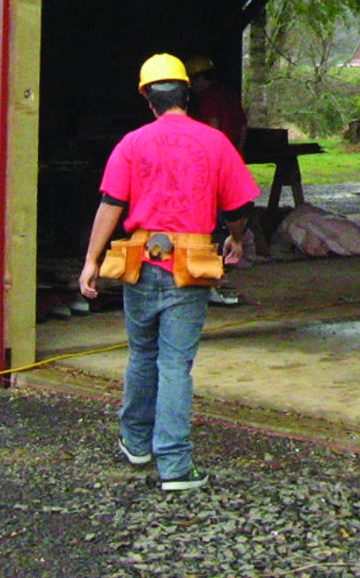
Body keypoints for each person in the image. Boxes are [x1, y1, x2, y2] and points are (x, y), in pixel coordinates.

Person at [77, 53, 259, 491]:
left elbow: (110, 205)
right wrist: (236, 237)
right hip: (189, 267)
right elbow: (238, 205)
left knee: (142, 354)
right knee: (175, 364)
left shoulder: (131, 143)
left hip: (140, 263)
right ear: (186, 93)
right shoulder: (214, 142)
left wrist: (91, 261)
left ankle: (136, 441)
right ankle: (174, 464)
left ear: (148, 98)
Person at [185, 53, 248, 305]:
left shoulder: (209, 99)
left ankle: (209, 281)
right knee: (224, 219)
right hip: (230, 162)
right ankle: (214, 278)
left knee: (211, 225)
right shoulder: (229, 95)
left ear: (199, 78)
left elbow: (211, 128)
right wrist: (238, 156)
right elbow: (243, 128)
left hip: (212, 166)